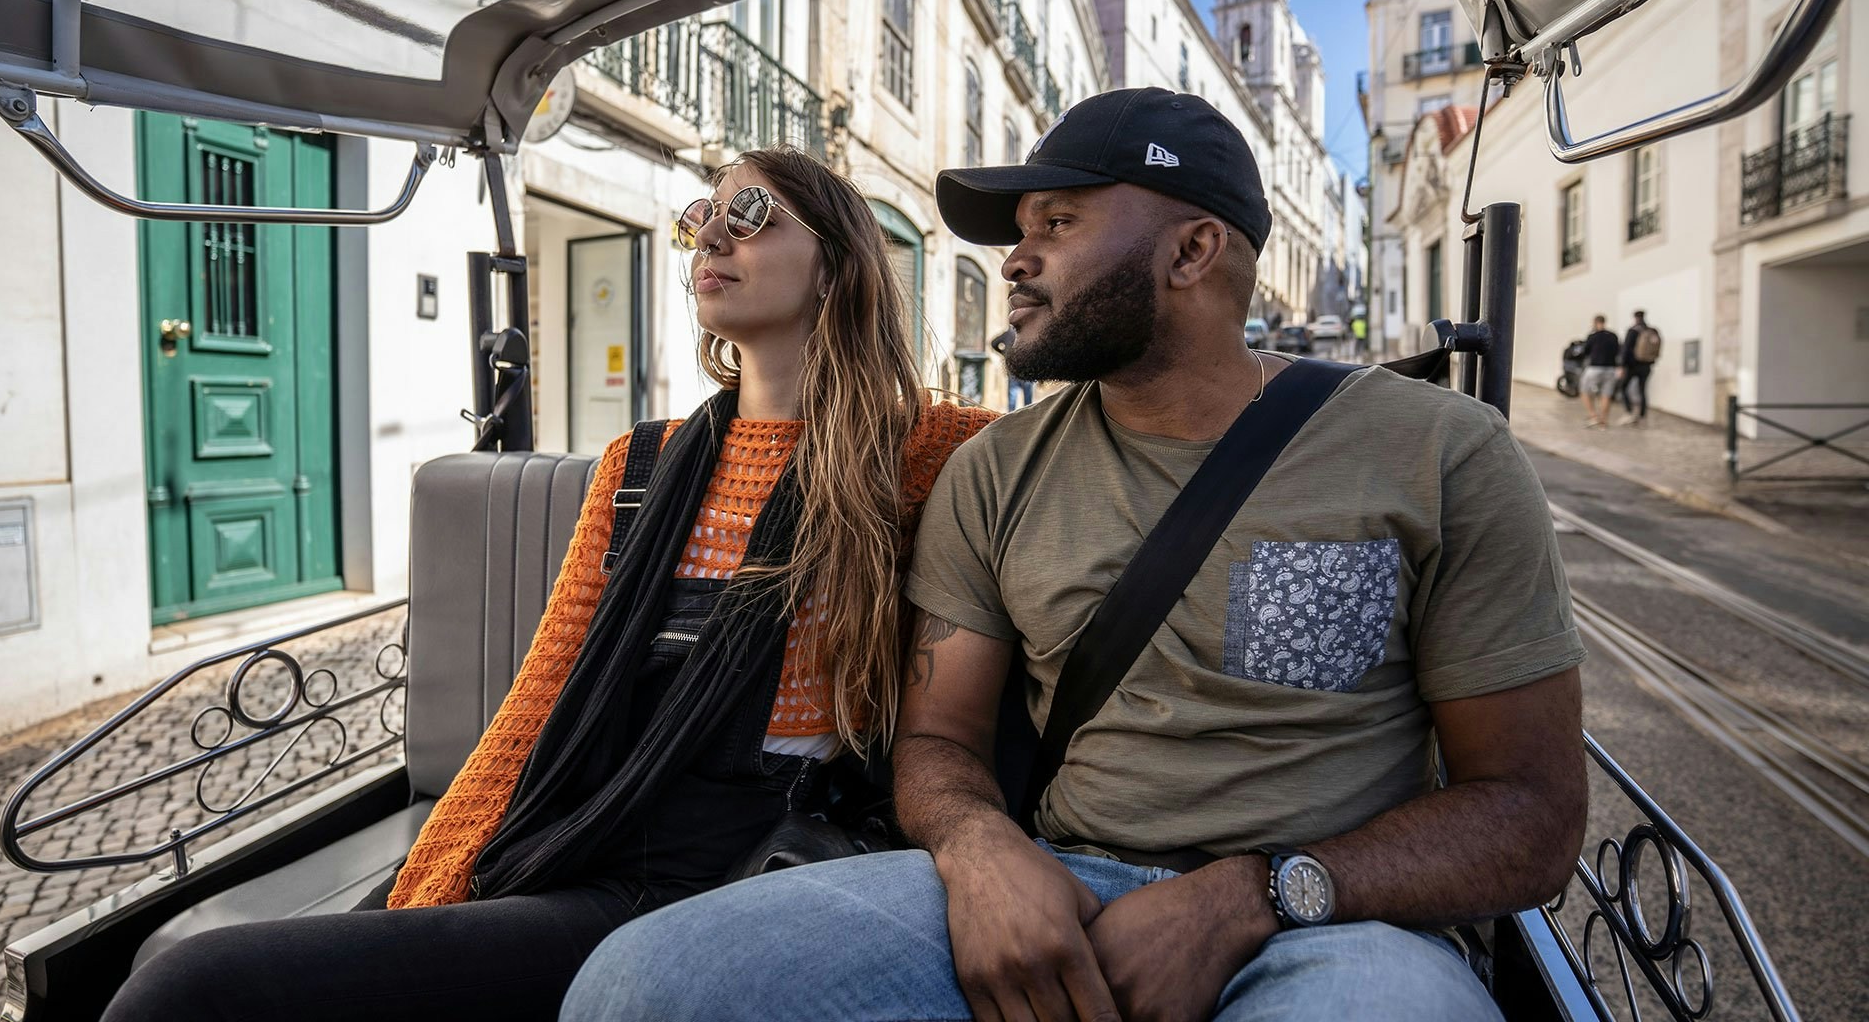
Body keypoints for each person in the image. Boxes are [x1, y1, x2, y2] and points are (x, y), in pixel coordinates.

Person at [562, 89, 1587, 1022]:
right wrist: (979, 850)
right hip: (1059, 885)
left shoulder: (1440, 452)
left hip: (1335, 921)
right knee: (637, 991)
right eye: (1020, 232)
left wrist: (1254, 895)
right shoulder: (992, 470)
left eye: (1058, 224)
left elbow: (1532, 815)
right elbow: (939, 742)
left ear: (1190, 254)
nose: (1015, 259)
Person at [101, 148, 994, 1022]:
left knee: (192, 990)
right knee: (227, 975)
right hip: (584, 823)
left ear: (838, 266)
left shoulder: (935, 452)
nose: (711, 238)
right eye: (699, 219)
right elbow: (543, 694)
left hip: (739, 868)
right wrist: (434, 882)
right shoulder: (637, 464)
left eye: (750, 215)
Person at [1578, 313, 1621, 428]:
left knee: (1584, 391)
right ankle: (1604, 421)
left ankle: (1593, 416)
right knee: (1606, 395)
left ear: (1595, 322)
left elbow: (1585, 351)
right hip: (1611, 369)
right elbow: (1618, 351)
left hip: (1595, 368)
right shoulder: (1613, 336)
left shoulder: (1593, 336)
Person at [1616, 309, 1657, 425]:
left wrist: (1622, 366)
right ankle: (1643, 416)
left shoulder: (1633, 331)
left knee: (1623, 387)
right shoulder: (1651, 330)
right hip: (1646, 366)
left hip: (1632, 366)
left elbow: (1626, 349)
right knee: (1642, 390)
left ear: (1635, 317)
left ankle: (1629, 412)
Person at [992, 325, 1036, 411]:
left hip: (1013, 370)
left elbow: (993, 343)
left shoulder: (1008, 334)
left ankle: (1011, 417)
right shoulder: (1028, 332)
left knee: (1012, 398)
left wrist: (1004, 354)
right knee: (1028, 399)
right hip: (1027, 370)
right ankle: (1029, 416)